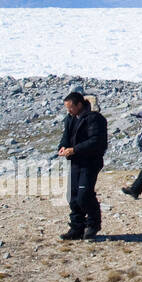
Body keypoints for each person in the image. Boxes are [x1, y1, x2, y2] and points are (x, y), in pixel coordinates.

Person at [57, 91, 108, 240]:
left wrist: (74, 149)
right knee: (73, 195)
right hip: (75, 161)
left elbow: (96, 141)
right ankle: (77, 227)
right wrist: (63, 147)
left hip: (90, 162)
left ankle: (93, 225)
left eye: (71, 108)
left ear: (79, 105)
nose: (69, 111)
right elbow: (66, 137)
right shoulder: (70, 118)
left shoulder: (95, 119)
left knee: (84, 195)